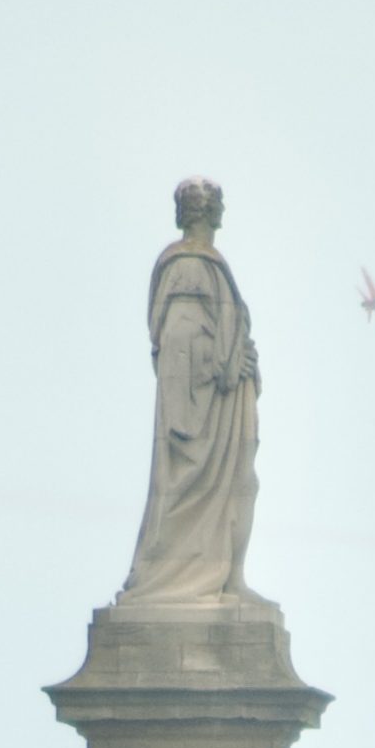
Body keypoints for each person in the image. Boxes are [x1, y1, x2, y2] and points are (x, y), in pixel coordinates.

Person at [121, 177, 264, 606]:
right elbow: (178, 342)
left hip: (225, 402)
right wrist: (220, 364)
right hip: (200, 406)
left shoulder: (209, 264)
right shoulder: (185, 266)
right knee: (186, 487)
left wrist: (240, 357)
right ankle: (187, 580)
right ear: (208, 211)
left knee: (242, 484)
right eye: (215, 203)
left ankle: (228, 576)